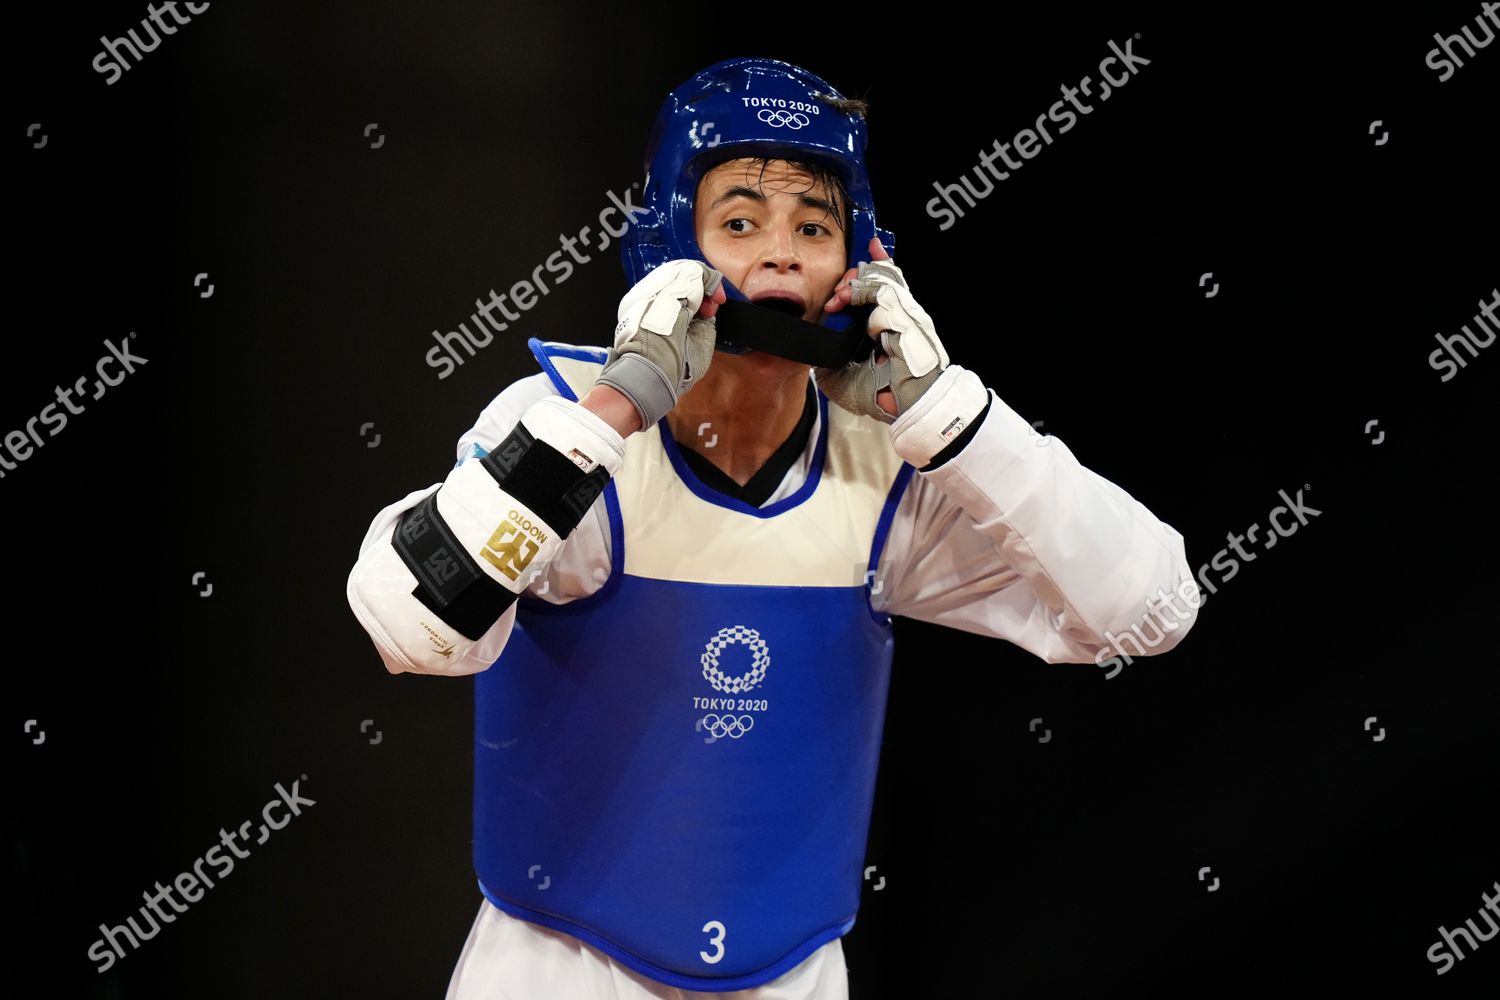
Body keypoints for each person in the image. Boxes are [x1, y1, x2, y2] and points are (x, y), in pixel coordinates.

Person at [345, 57, 1199, 999]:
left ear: (861, 265)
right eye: (741, 222)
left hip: (796, 977)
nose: (781, 253)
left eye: (814, 226)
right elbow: (410, 630)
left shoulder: (889, 471)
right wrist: (612, 411)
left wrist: (956, 421)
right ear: (671, 251)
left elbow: (1146, 610)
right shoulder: (566, 425)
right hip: (555, 971)